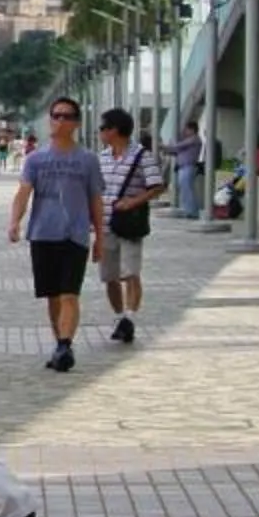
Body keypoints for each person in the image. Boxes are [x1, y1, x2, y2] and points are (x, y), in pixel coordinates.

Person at [7, 96, 105, 373]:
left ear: (76, 123)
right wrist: (14, 222)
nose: (60, 121)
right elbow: (23, 193)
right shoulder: (35, 159)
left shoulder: (87, 160)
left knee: (69, 294)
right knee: (52, 296)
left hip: (75, 235)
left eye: (67, 116)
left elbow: (96, 200)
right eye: (56, 115)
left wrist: (101, 236)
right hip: (42, 233)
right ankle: (60, 345)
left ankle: (64, 344)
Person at [96, 108, 163, 345]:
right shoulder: (102, 158)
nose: (100, 132)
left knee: (131, 272)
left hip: (129, 223)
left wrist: (132, 202)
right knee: (110, 276)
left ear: (115, 130)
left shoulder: (142, 156)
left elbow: (156, 186)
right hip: (104, 225)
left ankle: (130, 317)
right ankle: (119, 317)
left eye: (103, 128)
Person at [170, 121, 206, 219]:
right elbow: (175, 150)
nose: (184, 131)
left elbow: (176, 146)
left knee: (187, 190)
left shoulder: (194, 139)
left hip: (188, 167)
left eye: (186, 129)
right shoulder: (189, 140)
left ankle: (192, 212)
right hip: (184, 167)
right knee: (185, 190)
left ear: (192, 130)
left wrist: (170, 143)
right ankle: (189, 210)